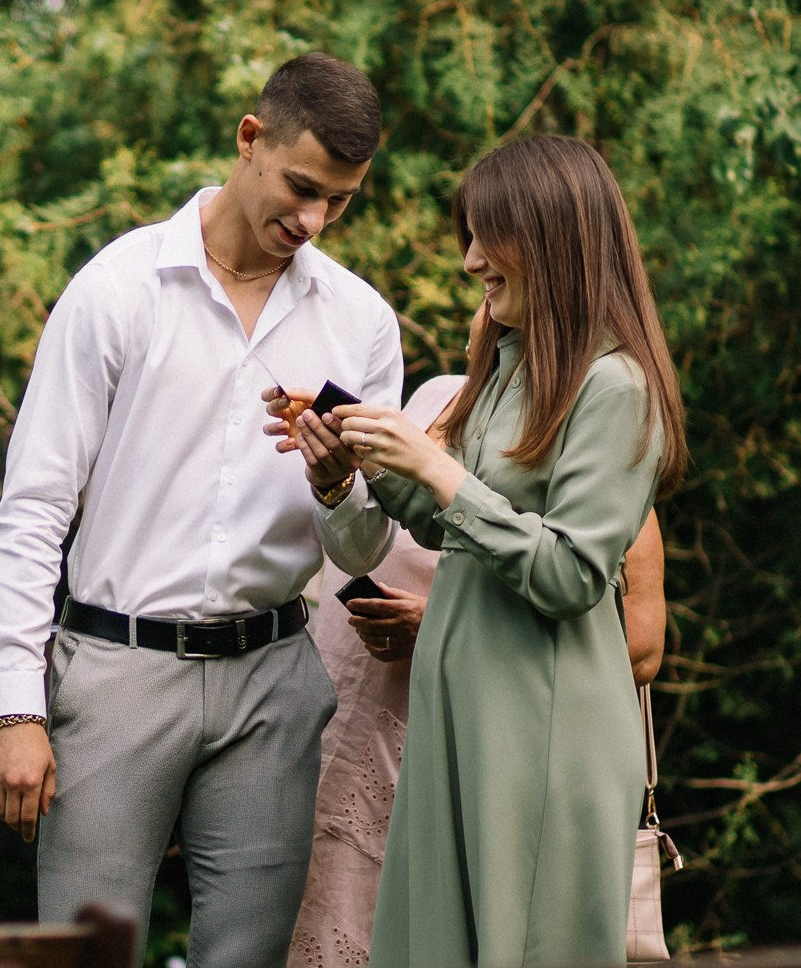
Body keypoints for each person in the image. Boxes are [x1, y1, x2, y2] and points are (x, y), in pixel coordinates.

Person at [0, 52, 404, 968]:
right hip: (116, 671)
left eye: (339, 200)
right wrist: (15, 707)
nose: (314, 219)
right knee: (83, 953)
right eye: (301, 186)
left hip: (273, 677)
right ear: (250, 140)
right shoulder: (120, 285)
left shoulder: (362, 322)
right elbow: (35, 505)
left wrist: (335, 483)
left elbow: (366, 540)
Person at [293, 135, 687, 968]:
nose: (471, 259)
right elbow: (446, 526)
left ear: (549, 236)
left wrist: (436, 466)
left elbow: (571, 573)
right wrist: (356, 454)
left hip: (541, 726)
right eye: (467, 236)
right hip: (456, 710)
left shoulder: (618, 387)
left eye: (486, 237)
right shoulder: (508, 365)